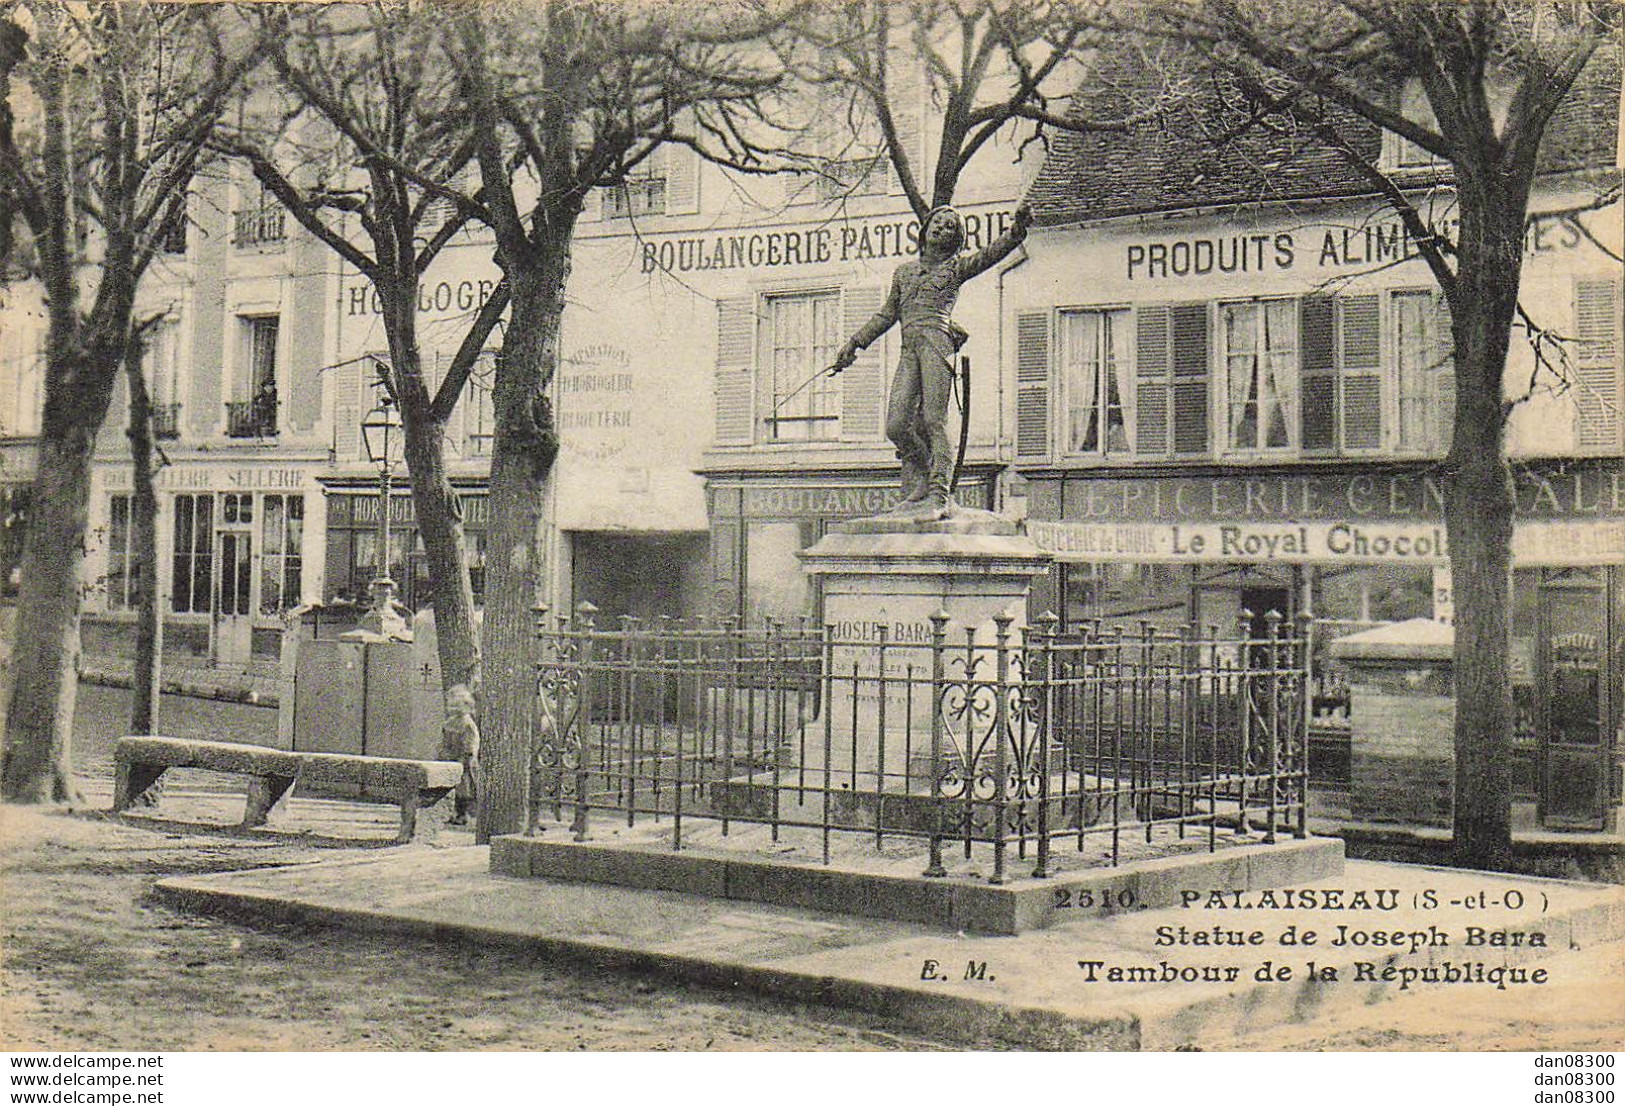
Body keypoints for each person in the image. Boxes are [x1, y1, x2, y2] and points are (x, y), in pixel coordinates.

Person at [832, 202, 1032, 518]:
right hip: (909, 348)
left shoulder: (956, 268)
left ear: (956, 239)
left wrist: (1016, 231)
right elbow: (887, 314)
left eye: (951, 225)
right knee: (897, 424)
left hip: (936, 343)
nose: (942, 227)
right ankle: (925, 473)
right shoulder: (904, 272)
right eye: (937, 222)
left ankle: (940, 493)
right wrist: (855, 343)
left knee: (934, 420)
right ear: (925, 231)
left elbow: (990, 255)